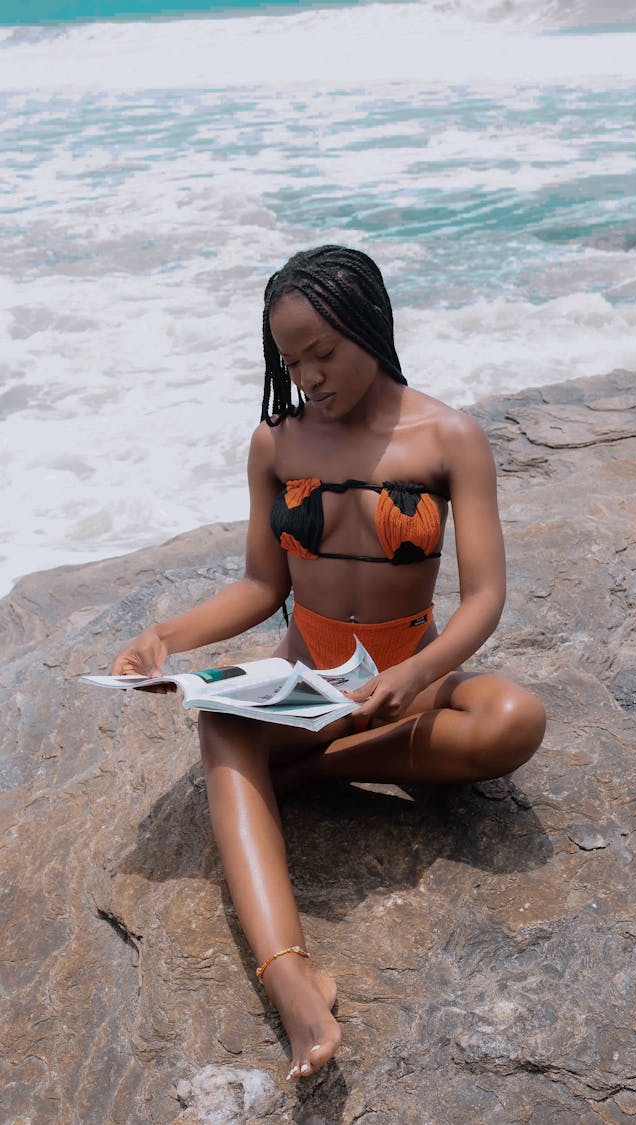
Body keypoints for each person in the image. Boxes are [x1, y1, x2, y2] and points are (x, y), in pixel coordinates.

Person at [111, 245, 546, 1083]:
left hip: (408, 684)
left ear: (371, 326)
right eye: (293, 359)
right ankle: (291, 977)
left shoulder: (449, 436)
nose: (310, 373)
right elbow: (259, 583)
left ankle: (310, 775)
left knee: (515, 718)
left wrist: (415, 677)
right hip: (304, 685)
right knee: (222, 725)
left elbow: (485, 596)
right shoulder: (277, 443)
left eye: (325, 351)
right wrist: (166, 635)